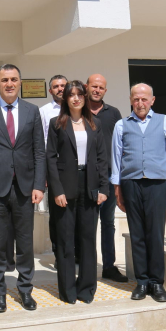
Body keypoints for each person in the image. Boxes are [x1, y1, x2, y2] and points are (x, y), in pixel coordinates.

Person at [0, 63, 46, 313]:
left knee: (25, 243)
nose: (9, 84)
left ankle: (25, 290)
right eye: (5, 80)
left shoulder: (32, 111)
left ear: (20, 82)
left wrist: (39, 185)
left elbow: (39, 151)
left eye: (14, 79)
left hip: (25, 188)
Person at [112, 83, 166, 302]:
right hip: (130, 184)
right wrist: (117, 188)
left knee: (156, 234)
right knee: (137, 233)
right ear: (131, 100)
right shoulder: (121, 125)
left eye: (144, 99)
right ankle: (141, 282)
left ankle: (156, 283)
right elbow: (116, 159)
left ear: (152, 100)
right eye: (136, 99)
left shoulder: (165, 121)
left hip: (157, 184)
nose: (140, 103)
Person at [46, 80, 109, 303]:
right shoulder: (56, 124)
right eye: (71, 95)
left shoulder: (95, 123)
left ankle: (86, 289)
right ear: (65, 99)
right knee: (65, 240)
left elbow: (102, 158)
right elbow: (50, 159)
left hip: (90, 185)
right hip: (65, 186)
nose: (76, 98)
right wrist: (57, 190)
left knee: (88, 239)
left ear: (85, 97)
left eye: (80, 95)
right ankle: (68, 291)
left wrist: (103, 187)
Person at [85, 74, 128, 283]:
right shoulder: (78, 110)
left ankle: (109, 266)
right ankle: (87, 267)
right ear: (86, 86)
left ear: (105, 91)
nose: (97, 90)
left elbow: (121, 144)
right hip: (85, 176)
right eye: (94, 86)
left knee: (108, 222)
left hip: (109, 177)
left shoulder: (113, 113)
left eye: (101, 87)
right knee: (86, 224)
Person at [40, 75, 67, 258]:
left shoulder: (78, 109)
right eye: (56, 86)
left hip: (75, 169)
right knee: (56, 214)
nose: (60, 89)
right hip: (54, 169)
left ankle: (76, 253)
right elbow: (42, 143)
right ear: (50, 91)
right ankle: (59, 254)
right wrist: (44, 173)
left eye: (63, 85)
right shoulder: (44, 111)